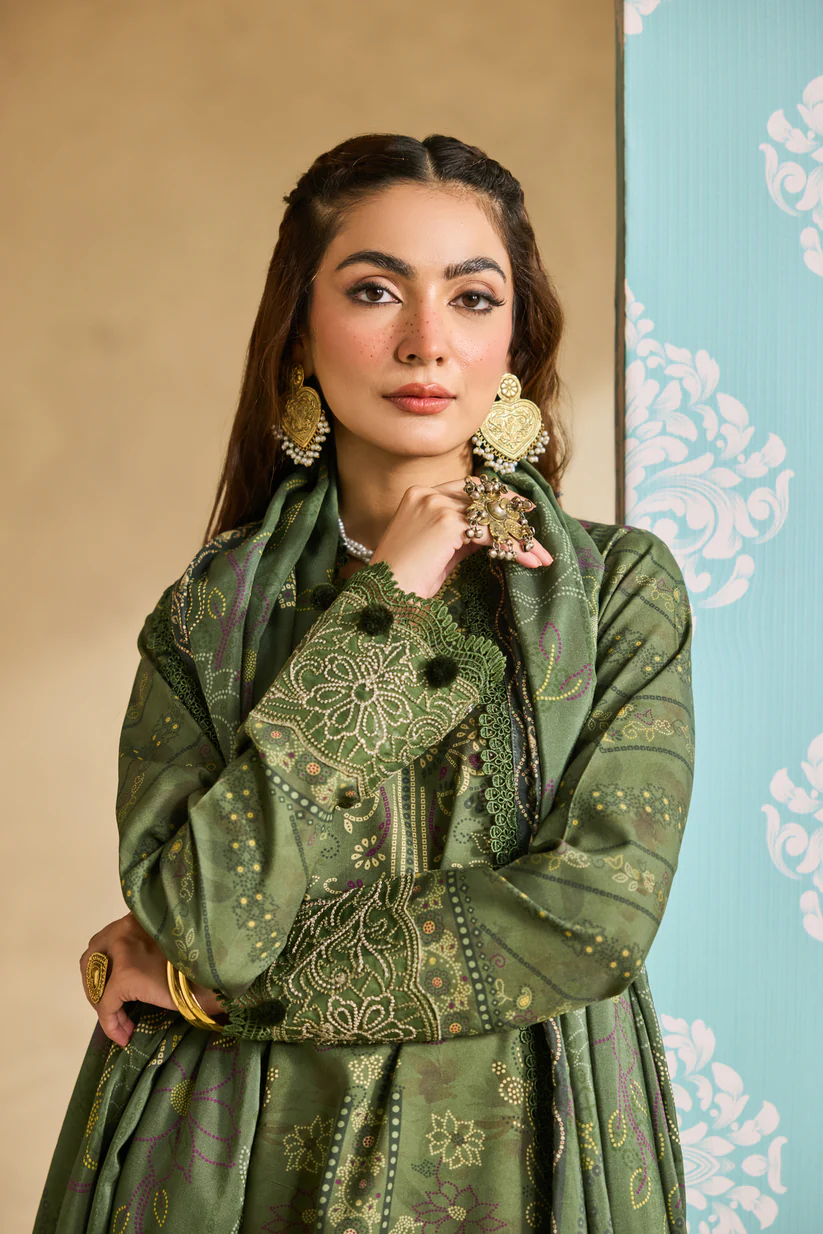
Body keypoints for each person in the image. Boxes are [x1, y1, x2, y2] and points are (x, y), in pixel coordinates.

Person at [35, 133, 695, 1234]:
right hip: (226, 1159)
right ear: (299, 329)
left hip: (522, 1157)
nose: (426, 341)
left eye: (472, 298)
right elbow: (204, 918)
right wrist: (382, 612)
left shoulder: (614, 592)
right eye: (376, 291)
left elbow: (592, 918)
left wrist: (212, 994)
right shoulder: (205, 615)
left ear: (516, 342)